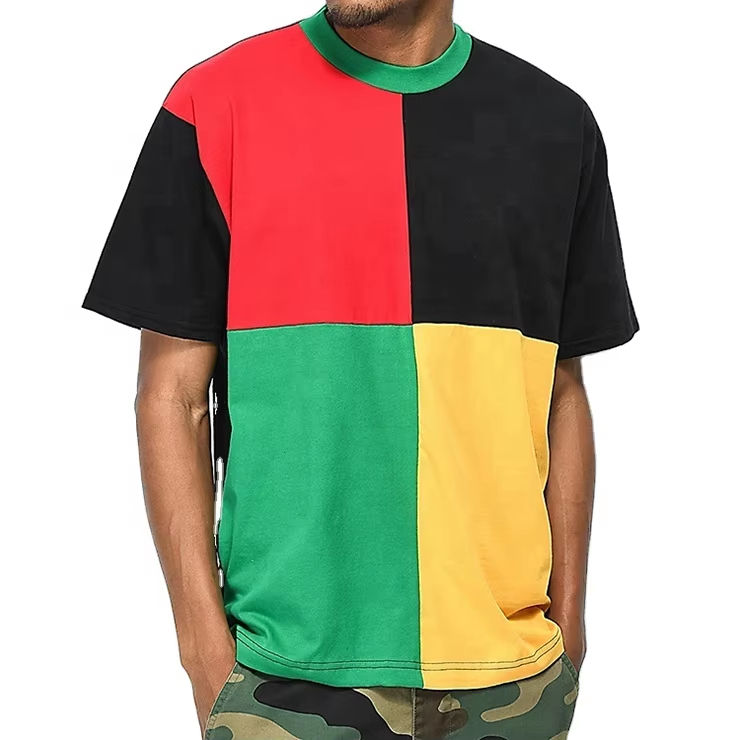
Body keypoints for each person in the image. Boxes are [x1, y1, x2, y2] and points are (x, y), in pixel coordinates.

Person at [83, 1, 638, 737]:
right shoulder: (215, 104)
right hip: (279, 679)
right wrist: (204, 655)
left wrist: (569, 631)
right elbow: (170, 395)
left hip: (512, 679)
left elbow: (561, 392)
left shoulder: (556, 126)